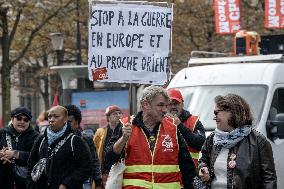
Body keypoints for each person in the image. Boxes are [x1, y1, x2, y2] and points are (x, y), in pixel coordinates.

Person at [105, 86, 196, 189]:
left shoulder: (173, 127)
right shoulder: (125, 125)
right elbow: (108, 159)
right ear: (146, 104)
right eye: (160, 105)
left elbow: (187, 168)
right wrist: (123, 139)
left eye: (166, 105)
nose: (165, 110)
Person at [199, 94, 277, 189]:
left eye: (216, 113)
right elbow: (203, 160)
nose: (214, 117)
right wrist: (203, 168)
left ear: (233, 112)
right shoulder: (212, 139)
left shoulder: (258, 141)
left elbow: (269, 180)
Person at [26, 105, 92, 189]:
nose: (51, 119)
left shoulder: (75, 141)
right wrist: (31, 185)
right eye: (49, 116)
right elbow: (30, 165)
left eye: (56, 116)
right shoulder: (41, 139)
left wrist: (66, 184)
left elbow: (86, 168)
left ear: (65, 119)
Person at [64, 105, 102, 189]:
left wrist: (98, 182)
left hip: (85, 182)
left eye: (69, 122)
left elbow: (94, 161)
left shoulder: (86, 139)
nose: (66, 125)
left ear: (77, 122)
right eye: (64, 122)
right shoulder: (59, 140)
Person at [0, 107, 39, 189]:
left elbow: (38, 158)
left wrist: (16, 154)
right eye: (19, 118)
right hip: (3, 181)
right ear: (12, 119)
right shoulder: (2, 133)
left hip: (26, 183)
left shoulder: (36, 136)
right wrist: (1, 155)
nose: (22, 122)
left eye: (26, 120)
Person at [167, 88, 206, 168]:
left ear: (182, 104)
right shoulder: (159, 122)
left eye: (176, 103)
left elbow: (201, 144)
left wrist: (180, 126)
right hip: (169, 176)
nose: (173, 107)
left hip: (189, 173)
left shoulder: (194, 121)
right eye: (170, 104)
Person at [93, 105, 123, 187]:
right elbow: (94, 155)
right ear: (108, 118)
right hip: (105, 173)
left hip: (121, 171)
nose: (118, 115)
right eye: (115, 114)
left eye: (120, 113)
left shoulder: (125, 132)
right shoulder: (100, 133)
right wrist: (100, 175)